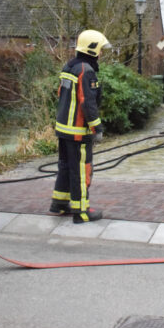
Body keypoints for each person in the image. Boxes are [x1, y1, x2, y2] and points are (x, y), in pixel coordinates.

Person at [49, 29, 109, 223]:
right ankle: (82, 212)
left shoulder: (69, 67)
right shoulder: (86, 70)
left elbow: (61, 94)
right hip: (77, 132)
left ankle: (59, 204)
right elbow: (87, 102)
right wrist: (97, 128)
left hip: (64, 129)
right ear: (92, 49)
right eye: (100, 49)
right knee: (82, 170)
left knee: (65, 167)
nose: (101, 53)